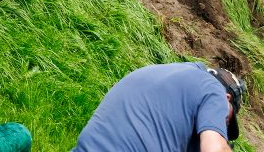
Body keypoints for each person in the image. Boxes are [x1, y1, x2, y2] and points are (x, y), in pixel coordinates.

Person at [75, 62, 244, 152]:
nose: (222, 127)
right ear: (227, 98)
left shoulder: (162, 72)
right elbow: (213, 148)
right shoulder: (214, 91)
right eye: (226, 122)